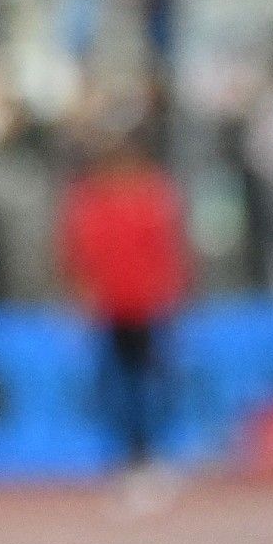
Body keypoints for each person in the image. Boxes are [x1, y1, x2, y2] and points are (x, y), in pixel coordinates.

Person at [57, 130, 186, 501]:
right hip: (110, 306)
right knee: (116, 385)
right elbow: (78, 254)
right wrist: (81, 296)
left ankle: (149, 452)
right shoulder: (92, 200)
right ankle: (127, 455)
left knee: (150, 383)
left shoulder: (153, 196)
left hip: (146, 304)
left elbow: (167, 250)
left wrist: (170, 294)